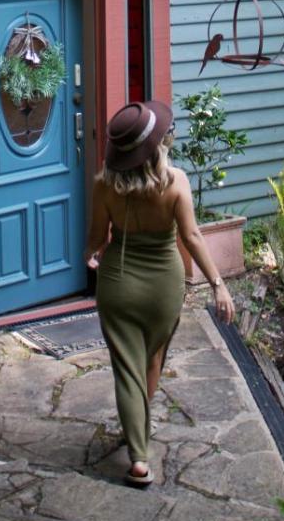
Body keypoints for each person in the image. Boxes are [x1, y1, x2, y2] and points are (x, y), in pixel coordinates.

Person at [85, 98, 235, 487]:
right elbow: (192, 236)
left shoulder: (104, 185)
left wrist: (94, 254)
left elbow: (96, 239)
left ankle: (138, 458)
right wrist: (218, 285)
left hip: (118, 282)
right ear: (157, 147)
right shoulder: (176, 181)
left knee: (126, 368)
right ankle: (139, 430)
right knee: (153, 357)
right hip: (163, 285)